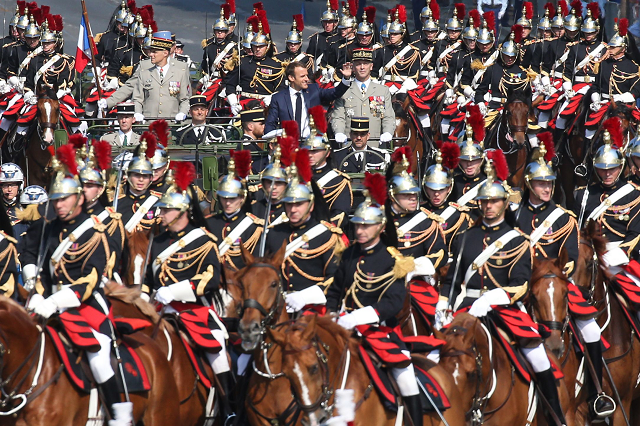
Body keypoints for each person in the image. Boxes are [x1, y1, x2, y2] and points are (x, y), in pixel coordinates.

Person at [437, 151, 567, 426]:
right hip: (466, 311)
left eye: (494, 201)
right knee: (435, 355)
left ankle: (555, 416)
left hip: (503, 310)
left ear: (504, 203)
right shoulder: (464, 238)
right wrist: (442, 304)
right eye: (484, 201)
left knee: (539, 357)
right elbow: (452, 280)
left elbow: (520, 284)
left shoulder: (517, 241)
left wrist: (493, 298)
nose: (488, 206)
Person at [26, 145, 132, 425]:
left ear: (78, 199)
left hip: (86, 308)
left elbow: (90, 281)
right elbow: (44, 272)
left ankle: (119, 414)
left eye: (63, 200)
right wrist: (37, 295)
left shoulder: (96, 232)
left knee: (98, 356)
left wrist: (54, 301)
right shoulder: (51, 228)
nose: (58, 205)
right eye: (56, 199)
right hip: (51, 304)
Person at [516, 134, 615, 421]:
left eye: (549, 183)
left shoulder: (564, 218)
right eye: (540, 183)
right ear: (529, 185)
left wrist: (556, 276)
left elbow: (571, 258)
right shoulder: (516, 214)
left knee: (591, 330)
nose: (546, 188)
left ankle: (597, 393)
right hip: (526, 286)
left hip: (558, 285)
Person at [326, 172, 425, 426]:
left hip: (379, 331)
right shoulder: (347, 255)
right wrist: (332, 314)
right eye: (357, 225)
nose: (359, 230)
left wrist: (361, 316)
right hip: (343, 330)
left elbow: (394, 301)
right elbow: (335, 291)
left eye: (365, 226)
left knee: (405, 375)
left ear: (380, 227)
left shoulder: (393, 260)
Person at [145, 162, 235, 421]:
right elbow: (147, 281)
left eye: (166, 210)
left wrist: (175, 291)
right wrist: (142, 299)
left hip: (194, 311)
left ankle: (229, 410)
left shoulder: (204, 241)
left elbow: (211, 279)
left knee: (217, 351)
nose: (161, 214)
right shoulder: (157, 240)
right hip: (160, 310)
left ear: (182, 211)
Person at [265, 144, 344, 298]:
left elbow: (334, 277)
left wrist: (307, 297)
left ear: (311, 205)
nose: (293, 210)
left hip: (312, 307)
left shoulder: (326, 236)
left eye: (299, 204)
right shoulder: (274, 233)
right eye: (289, 204)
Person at [574, 128, 640, 261]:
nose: (607, 174)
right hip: (589, 257)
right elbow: (577, 230)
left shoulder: (633, 195)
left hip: (620, 257)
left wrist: (620, 254)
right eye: (602, 169)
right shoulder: (584, 194)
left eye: (612, 169)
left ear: (620, 167)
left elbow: (635, 232)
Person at [388, 147, 448, 271]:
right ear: (392, 197)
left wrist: (415, 267)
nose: (413, 199)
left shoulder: (426, 222)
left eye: (414, 195)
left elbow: (440, 253)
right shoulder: (379, 221)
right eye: (406, 195)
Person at [207, 150, 263, 271]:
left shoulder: (254, 228)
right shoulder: (210, 224)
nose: (227, 203)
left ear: (242, 198)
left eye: (232, 199)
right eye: (224, 198)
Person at [264, 60, 352, 138]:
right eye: (302, 76)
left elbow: (335, 93)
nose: (307, 79)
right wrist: (271, 144)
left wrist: (346, 79)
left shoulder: (314, 90)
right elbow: (270, 123)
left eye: (307, 75)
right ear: (291, 78)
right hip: (289, 144)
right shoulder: (278, 98)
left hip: (310, 144)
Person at [331, 48, 395, 148]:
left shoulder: (382, 91)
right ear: (353, 67)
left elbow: (388, 117)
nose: (362, 67)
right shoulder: (343, 91)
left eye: (365, 63)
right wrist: (339, 132)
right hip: (349, 145)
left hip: (374, 145)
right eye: (358, 64)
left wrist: (388, 132)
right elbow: (338, 117)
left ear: (371, 66)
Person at [301, 106, 352, 228]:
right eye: (308, 151)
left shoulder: (338, 181)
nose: (310, 155)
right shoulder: (298, 178)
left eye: (315, 151)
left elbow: (340, 215)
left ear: (327, 152)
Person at [422, 143, 473, 255]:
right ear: (425, 188)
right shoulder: (419, 213)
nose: (436, 194)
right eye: (432, 189)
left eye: (441, 190)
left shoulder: (458, 216)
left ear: (449, 188)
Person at [130, 30, 191, 122]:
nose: (151, 54)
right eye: (151, 51)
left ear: (165, 53)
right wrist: (138, 112)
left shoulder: (179, 74)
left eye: (155, 52)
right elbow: (137, 99)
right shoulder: (144, 74)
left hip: (171, 124)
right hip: (149, 124)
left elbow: (185, 99)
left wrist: (182, 112)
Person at [116, 135, 161, 234]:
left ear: (151, 178)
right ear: (128, 176)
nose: (141, 180)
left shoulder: (158, 203)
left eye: (145, 176)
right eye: (136, 175)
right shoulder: (117, 203)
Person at [373, 5, 421, 95]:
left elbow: (414, 74)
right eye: (391, 34)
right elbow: (374, 72)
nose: (392, 36)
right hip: (385, 85)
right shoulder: (382, 50)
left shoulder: (412, 52)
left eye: (395, 34)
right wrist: (377, 85)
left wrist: (404, 88)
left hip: (403, 86)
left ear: (402, 34)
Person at [251, 145, 288, 226]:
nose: (274, 187)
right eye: (269, 182)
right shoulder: (254, 208)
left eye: (278, 183)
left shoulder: (292, 207)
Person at [95, 1, 130, 67]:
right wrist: (97, 68)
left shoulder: (131, 39)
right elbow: (97, 57)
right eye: (120, 22)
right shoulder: (106, 37)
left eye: (125, 23)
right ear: (116, 22)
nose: (122, 25)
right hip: (107, 69)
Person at [306, 1, 339, 68]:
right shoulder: (316, 38)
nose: (327, 25)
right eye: (325, 22)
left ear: (335, 23)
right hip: (319, 72)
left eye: (329, 22)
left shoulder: (340, 38)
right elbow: (309, 60)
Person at [236, 107, 269, 174]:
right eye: (261, 124)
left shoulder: (252, 144)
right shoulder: (246, 146)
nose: (264, 126)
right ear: (250, 127)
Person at [0, 162, 26, 244]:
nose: (10, 189)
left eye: (13, 185)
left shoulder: (25, 208)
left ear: (19, 186)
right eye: (6, 185)